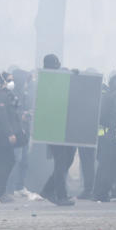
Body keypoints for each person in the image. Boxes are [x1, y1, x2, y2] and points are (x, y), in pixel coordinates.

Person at [39, 53, 78, 206]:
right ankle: (61, 196)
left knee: (67, 159)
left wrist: (73, 76)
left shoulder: (60, 77)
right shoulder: (46, 81)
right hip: (54, 128)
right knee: (61, 162)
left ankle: (48, 189)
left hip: (67, 127)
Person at [0, 72, 22, 203]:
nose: (12, 82)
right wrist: (10, 133)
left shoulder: (7, 95)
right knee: (5, 161)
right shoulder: (1, 96)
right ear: (2, 81)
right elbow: (3, 117)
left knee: (9, 161)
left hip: (2, 134)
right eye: (9, 80)